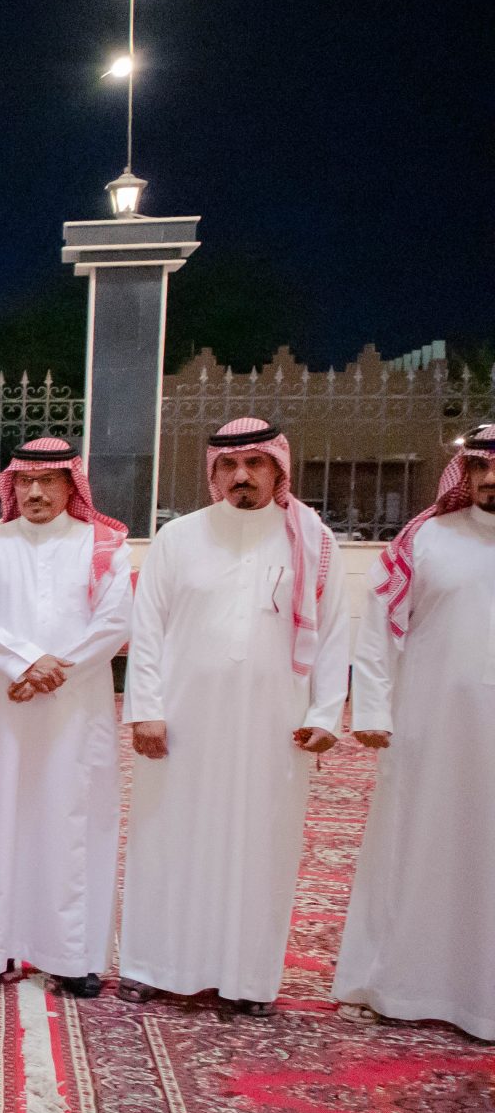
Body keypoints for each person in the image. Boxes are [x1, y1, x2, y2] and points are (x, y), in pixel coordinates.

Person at [121, 417, 350, 1016]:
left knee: (261, 844)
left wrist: (327, 713)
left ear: (278, 469)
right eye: (229, 464)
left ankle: (247, 978)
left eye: (255, 463)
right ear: (214, 472)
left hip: (275, 723)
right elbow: (148, 628)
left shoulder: (311, 540)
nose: (241, 475)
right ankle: (152, 965)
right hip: (182, 720)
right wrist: (146, 709)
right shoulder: (179, 537)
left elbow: (332, 632)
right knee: (169, 835)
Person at [0, 437, 133, 996]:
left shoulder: (104, 544)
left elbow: (113, 623)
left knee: (71, 822)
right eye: (25, 481)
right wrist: (29, 662)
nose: (34, 491)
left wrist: (53, 671)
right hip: (4, 709)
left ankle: (71, 956)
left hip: (75, 712)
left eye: (47, 480)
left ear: (71, 485)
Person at [335, 424, 495, 1039]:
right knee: (421, 847)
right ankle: (406, 985)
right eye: (479, 466)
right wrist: (373, 710)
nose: (489, 478)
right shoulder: (426, 537)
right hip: (432, 730)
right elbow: (378, 629)